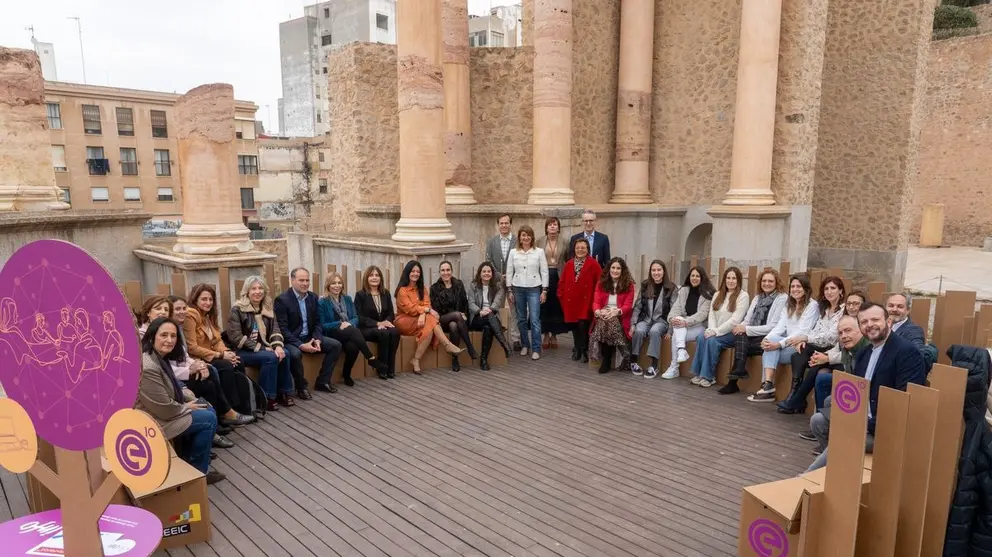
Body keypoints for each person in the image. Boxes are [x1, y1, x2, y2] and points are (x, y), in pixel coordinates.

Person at [806, 303, 927, 471]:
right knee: (818, 421)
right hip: (861, 418)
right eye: (864, 322)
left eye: (875, 319)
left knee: (846, 437)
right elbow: (857, 392)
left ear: (889, 322)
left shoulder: (907, 352)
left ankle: (807, 477)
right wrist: (845, 414)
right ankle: (840, 469)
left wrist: (865, 424)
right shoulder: (865, 353)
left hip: (886, 429)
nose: (869, 325)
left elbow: (904, 402)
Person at [138, 296, 253, 441]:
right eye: (158, 308)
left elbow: (183, 355)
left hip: (176, 376)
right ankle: (218, 419)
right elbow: (166, 367)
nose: (162, 312)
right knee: (211, 379)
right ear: (148, 312)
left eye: (166, 309)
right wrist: (192, 369)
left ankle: (221, 418)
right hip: (166, 387)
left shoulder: (173, 327)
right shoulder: (144, 335)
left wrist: (199, 365)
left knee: (214, 372)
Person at [137, 317, 224, 483]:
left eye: (173, 335)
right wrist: (186, 406)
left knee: (207, 407)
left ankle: (190, 462)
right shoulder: (148, 366)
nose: (169, 340)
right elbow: (163, 408)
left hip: (164, 410)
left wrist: (190, 397)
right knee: (208, 419)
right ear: (152, 336)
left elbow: (172, 385)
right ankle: (198, 473)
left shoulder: (159, 356)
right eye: (164, 335)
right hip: (152, 420)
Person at [183, 284, 255, 417]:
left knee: (238, 362)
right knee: (225, 366)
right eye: (204, 299)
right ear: (195, 299)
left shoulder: (208, 316)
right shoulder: (191, 315)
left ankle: (242, 407)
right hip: (197, 358)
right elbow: (192, 347)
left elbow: (217, 340)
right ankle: (228, 410)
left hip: (211, 354)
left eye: (210, 299)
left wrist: (228, 353)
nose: (208, 302)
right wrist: (221, 355)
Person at [777, 276, 846, 413]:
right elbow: (815, 331)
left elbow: (832, 337)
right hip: (819, 345)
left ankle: (797, 399)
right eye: (826, 289)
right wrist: (804, 340)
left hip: (832, 349)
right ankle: (794, 394)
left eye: (833, 288)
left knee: (815, 364)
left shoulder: (843, 311)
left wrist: (806, 338)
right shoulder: (824, 309)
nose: (829, 291)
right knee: (798, 355)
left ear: (841, 291)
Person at [797, 314, 870, 445]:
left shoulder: (869, 350)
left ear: (861, 329)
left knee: (828, 398)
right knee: (821, 412)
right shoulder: (847, 348)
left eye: (848, 330)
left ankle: (833, 441)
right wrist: (822, 356)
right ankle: (828, 445)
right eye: (840, 333)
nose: (844, 335)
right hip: (854, 395)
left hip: (866, 405)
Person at [747, 274, 820, 403]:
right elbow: (780, 327)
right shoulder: (789, 304)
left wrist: (778, 344)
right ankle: (768, 385)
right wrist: (767, 339)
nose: (795, 289)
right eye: (792, 286)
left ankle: (767, 387)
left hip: (799, 346)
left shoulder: (812, 305)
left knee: (770, 349)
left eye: (799, 286)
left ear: (806, 288)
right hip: (786, 343)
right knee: (769, 345)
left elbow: (801, 331)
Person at [226, 276, 295, 411]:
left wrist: (278, 346)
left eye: (260, 288)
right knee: (270, 357)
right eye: (254, 289)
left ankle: (284, 392)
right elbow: (236, 337)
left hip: (264, 349)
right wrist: (262, 348)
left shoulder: (267, 308)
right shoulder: (238, 309)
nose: (257, 292)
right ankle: (265, 397)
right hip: (243, 351)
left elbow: (275, 330)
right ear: (247, 291)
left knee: (284, 353)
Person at [274, 267, 343, 396]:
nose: (305, 283)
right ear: (292, 280)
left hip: (310, 337)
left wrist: (317, 338)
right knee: (295, 354)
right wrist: (301, 345)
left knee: (335, 345)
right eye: (301, 280)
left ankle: (323, 381)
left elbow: (318, 322)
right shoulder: (282, 300)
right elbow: (283, 329)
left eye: (307, 280)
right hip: (292, 339)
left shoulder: (312, 297)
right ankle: (301, 387)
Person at [718, 270, 788, 395]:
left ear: (776, 283)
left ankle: (733, 382)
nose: (767, 283)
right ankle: (738, 370)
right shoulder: (757, 298)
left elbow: (772, 327)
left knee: (742, 343)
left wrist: (746, 329)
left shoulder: (781, 298)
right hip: (753, 336)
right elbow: (747, 320)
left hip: (769, 337)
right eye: (764, 281)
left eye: (770, 281)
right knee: (740, 335)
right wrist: (741, 327)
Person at [394, 260, 465, 373]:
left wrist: (423, 313)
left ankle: (416, 359)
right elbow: (410, 309)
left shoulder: (423, 289)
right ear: (407, 272)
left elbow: (427, 304)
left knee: (430, 328)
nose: (415, 274)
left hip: (421, 320)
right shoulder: (402, 290)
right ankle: (448, 345)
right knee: (431, 319)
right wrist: (425, 311)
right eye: (413, 271)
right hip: (404, 321)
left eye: (418, 272)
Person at [319, 273, 389, 383]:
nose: (337, 286)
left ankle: (346, 374)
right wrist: (339, 323)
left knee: (353, 347)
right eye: (333, 283)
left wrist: (349, 323)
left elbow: (355, 318)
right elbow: (323, 325)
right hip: (332, 333)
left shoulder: (347, 299)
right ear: (328, 285)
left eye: (339, 283)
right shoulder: (323, 302)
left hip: (348, 332)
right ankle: (370, 358)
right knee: (353, 331)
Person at [689, 267, 749, 388]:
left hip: (732, 333)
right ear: (724, 279)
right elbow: (712, 315)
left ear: (738, 280)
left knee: (712, 340)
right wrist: (711, 329)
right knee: (701, 337)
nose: (730, 281)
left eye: (734, 278)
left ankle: (709, 377)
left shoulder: (743, 296)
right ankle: (698, 373)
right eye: (728, 278)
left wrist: (715, 332)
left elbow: (735, 320)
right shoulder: (717, 294)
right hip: (716, 330)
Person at [661, 266, 715, 380]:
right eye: (692, 275)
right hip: (683, 326)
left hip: (699, 326)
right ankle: (680, 351)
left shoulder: (708, 294)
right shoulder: (684, 290)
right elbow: (676, 308)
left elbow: (702, 314)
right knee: (677, 323)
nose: (694, 278)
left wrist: (685, 322)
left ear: (702, 278)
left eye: (697, 276)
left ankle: (674, 366)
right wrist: (672, 319)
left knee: (676, 334)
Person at [506, 225, 549, 360]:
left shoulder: (539, 252)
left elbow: (544, 271)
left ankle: (536, 348)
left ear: (532, 237)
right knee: (521, 319)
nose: (526, 238)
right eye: (523, 235)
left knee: (535, 319)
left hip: (534, 287)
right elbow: (509, 271)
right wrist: (509, 290)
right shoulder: (513, 252)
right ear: (519, 237)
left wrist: (544, 290)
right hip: (518, 287)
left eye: (528, 235)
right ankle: (525, 344)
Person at [629, 260, 676, 379]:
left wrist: (670, 331)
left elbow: (674, 310)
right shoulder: (645, 285)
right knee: (639, 331)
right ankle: (633, 361)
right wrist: (633, 324)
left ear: (664, 271)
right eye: (653, 270)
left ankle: (654, 365)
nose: (656, 273)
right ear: (650, 272)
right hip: (645, 319)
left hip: (662, 321)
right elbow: (638, 307)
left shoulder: (671, 287)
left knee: (654, 331)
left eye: (659, 270)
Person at [589, 257, 636, 374]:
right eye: (613, 268)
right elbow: (596, 302)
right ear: (609, 269)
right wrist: (598, 311)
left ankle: (605, 360)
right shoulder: (601, 282)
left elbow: (628, 305)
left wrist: (616, 311)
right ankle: (624, 351)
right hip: (604, 312)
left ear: (623, 270)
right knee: (604, 320)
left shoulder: (629, 285)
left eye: (618, 268)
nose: (615, 270)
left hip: (621, 315)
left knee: (610, 321)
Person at [558, 238, 601, 363]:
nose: (580, 250)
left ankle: (584, 349)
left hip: (586, 301)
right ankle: (577, 348)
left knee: (583, 325)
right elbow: (562, 282)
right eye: (578, 248)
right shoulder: (569, 264)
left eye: (583, 248)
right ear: (574, 249)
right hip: (570, 301)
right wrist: (561, 297)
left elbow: (599, 284)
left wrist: (595, 301)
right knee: (574, 326)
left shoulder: (593, 264)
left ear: (587, 249)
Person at [429, 261, 478, 372]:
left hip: (458, 321)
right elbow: (436, 309)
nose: (446, 273)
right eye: (443, 270)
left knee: (454, 325)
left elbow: (465, 303)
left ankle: (455, 359)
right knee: (455, 316)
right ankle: (470, 347)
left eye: (448, 270)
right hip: (441, 320)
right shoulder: (434, 288)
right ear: (439, 272)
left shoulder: (458, 284)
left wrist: (464, 314)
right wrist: (457, 314)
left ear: (451, 271)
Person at [354, 265, 400, 379]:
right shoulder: (360, 295)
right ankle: (382, 368)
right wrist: (377, 324)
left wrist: (387, 322)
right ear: (366, 278)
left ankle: (391, 368)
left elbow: (390, 312)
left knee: (395, 332)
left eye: (377, 275)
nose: (374, 278)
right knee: (383, 333)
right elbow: (359, 317)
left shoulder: (386, 293)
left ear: (381, 278)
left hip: (383, 326)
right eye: (371, 275)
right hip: (367, 329)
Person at [484, 214, 520, 351]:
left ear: (511, 224)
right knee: (496, 307)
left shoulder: (517, 241)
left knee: (515, 310)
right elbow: (488, 260)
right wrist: (499, 275)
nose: (504, 225)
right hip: (497, 281)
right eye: (501, 223)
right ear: (498, 225)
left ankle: (516, 339)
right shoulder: (491, 242)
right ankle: (499, 336)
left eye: (506, 223)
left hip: (514, 281)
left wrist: (510, 275)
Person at [467, 261, 512, 370]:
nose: (486, 273)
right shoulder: (474, 286)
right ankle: (504, 344)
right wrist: (480, 311)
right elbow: (471, 303)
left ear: (492, 273)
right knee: (490, 319)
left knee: (488, 328)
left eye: (489, 271)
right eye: (484, 271)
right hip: (477, 318)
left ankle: (483, 360)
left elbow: (497, 302)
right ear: (480, 273)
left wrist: (490, 310)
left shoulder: (497, 286)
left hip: (491, 316)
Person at [538, 217, 569, 349]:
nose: (552, 227)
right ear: (546, 227)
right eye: (550, 225)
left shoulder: (565, 242)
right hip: (543, 277)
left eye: (555, 224)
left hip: (558, 276)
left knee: (556, 307)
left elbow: (567, 259)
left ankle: (555, 335)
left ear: (558, 227)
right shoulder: (540, 241)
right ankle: (545, 334)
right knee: (544, 306)